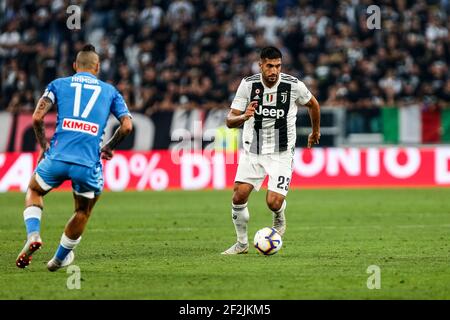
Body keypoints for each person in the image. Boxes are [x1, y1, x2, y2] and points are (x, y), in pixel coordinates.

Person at [16, 44, 133, 271]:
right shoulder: (110, 91)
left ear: (74, 66)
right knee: (82, 211)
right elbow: (127, 126)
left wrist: (43, 146)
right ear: (97, 67)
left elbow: (37, 117)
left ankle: (33, 235)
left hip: (57, 158)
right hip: (87, 164)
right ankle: (59, 259)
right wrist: (109, 146)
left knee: (35, 190)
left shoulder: (58, 84)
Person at [222, 46, 320, 255]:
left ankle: (279, 215)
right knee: (239, 196)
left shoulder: (293, 85)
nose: (274, 71)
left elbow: (313, 105)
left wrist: (315, 132)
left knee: (273, 202)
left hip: (281, 151)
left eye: (277, 66)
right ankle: (241, 244)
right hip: (253, 150)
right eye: (269, 66)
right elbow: (230, 121)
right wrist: (244, 117)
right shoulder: (248, 85)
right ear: (261, 65)